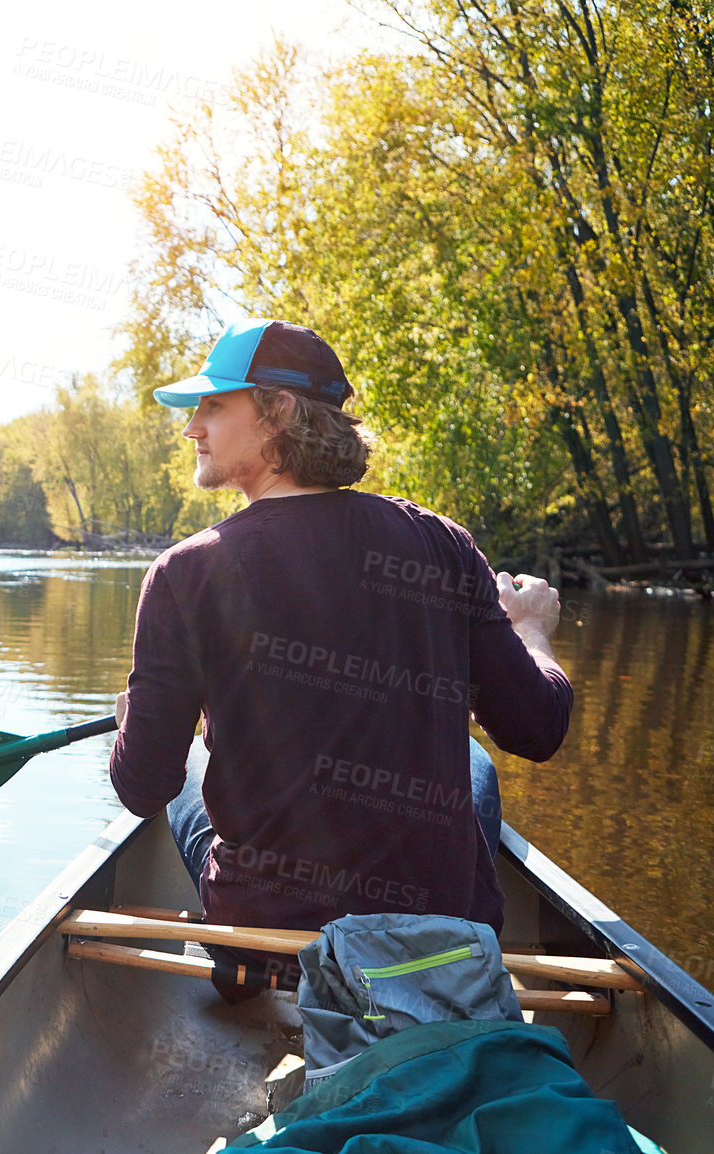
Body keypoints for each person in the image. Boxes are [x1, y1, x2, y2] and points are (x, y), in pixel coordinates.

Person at [107, 318, 571, 993]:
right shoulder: (442, 544)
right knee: (472, 760)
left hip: (270, 959)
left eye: (213, 405)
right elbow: (538, 728)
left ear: (277, 414)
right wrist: (530, 629)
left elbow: (141, 788)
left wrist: (134, 726)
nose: (192, 428)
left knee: (189, 765)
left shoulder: (185, 573)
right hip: (442, 951)